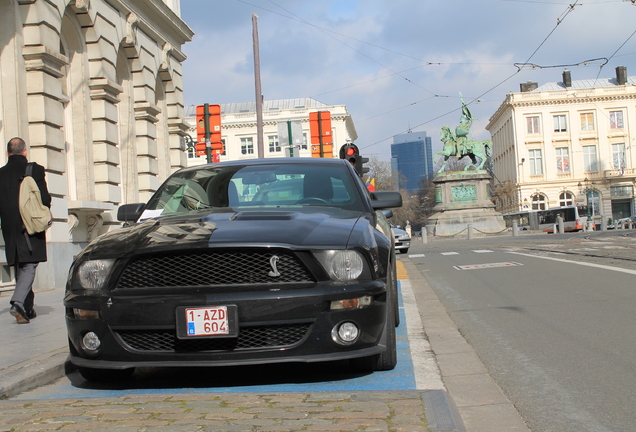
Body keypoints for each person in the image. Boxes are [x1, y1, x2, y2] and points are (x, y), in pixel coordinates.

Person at [0, 137, 51, 324]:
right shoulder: (34, 170)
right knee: (29, 265)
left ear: (7, 153)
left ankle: (27, 309)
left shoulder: (1, 174)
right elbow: (44, 199)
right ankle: (18, 302)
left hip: (9, 227)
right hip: (30, 224)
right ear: (25, 152)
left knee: (21, 266)